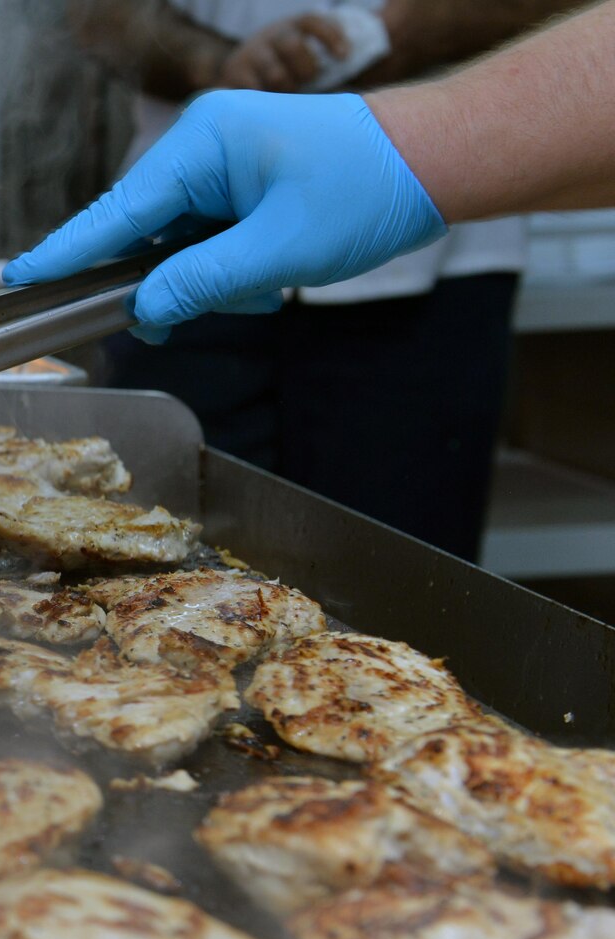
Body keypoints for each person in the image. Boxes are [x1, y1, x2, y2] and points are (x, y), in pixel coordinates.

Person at [59, 0, 580, 559]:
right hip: (188, 244)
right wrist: (216, 63)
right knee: (150, 565)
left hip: (433, 254)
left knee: (397, 587)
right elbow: (99, 13)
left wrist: (384, 37)